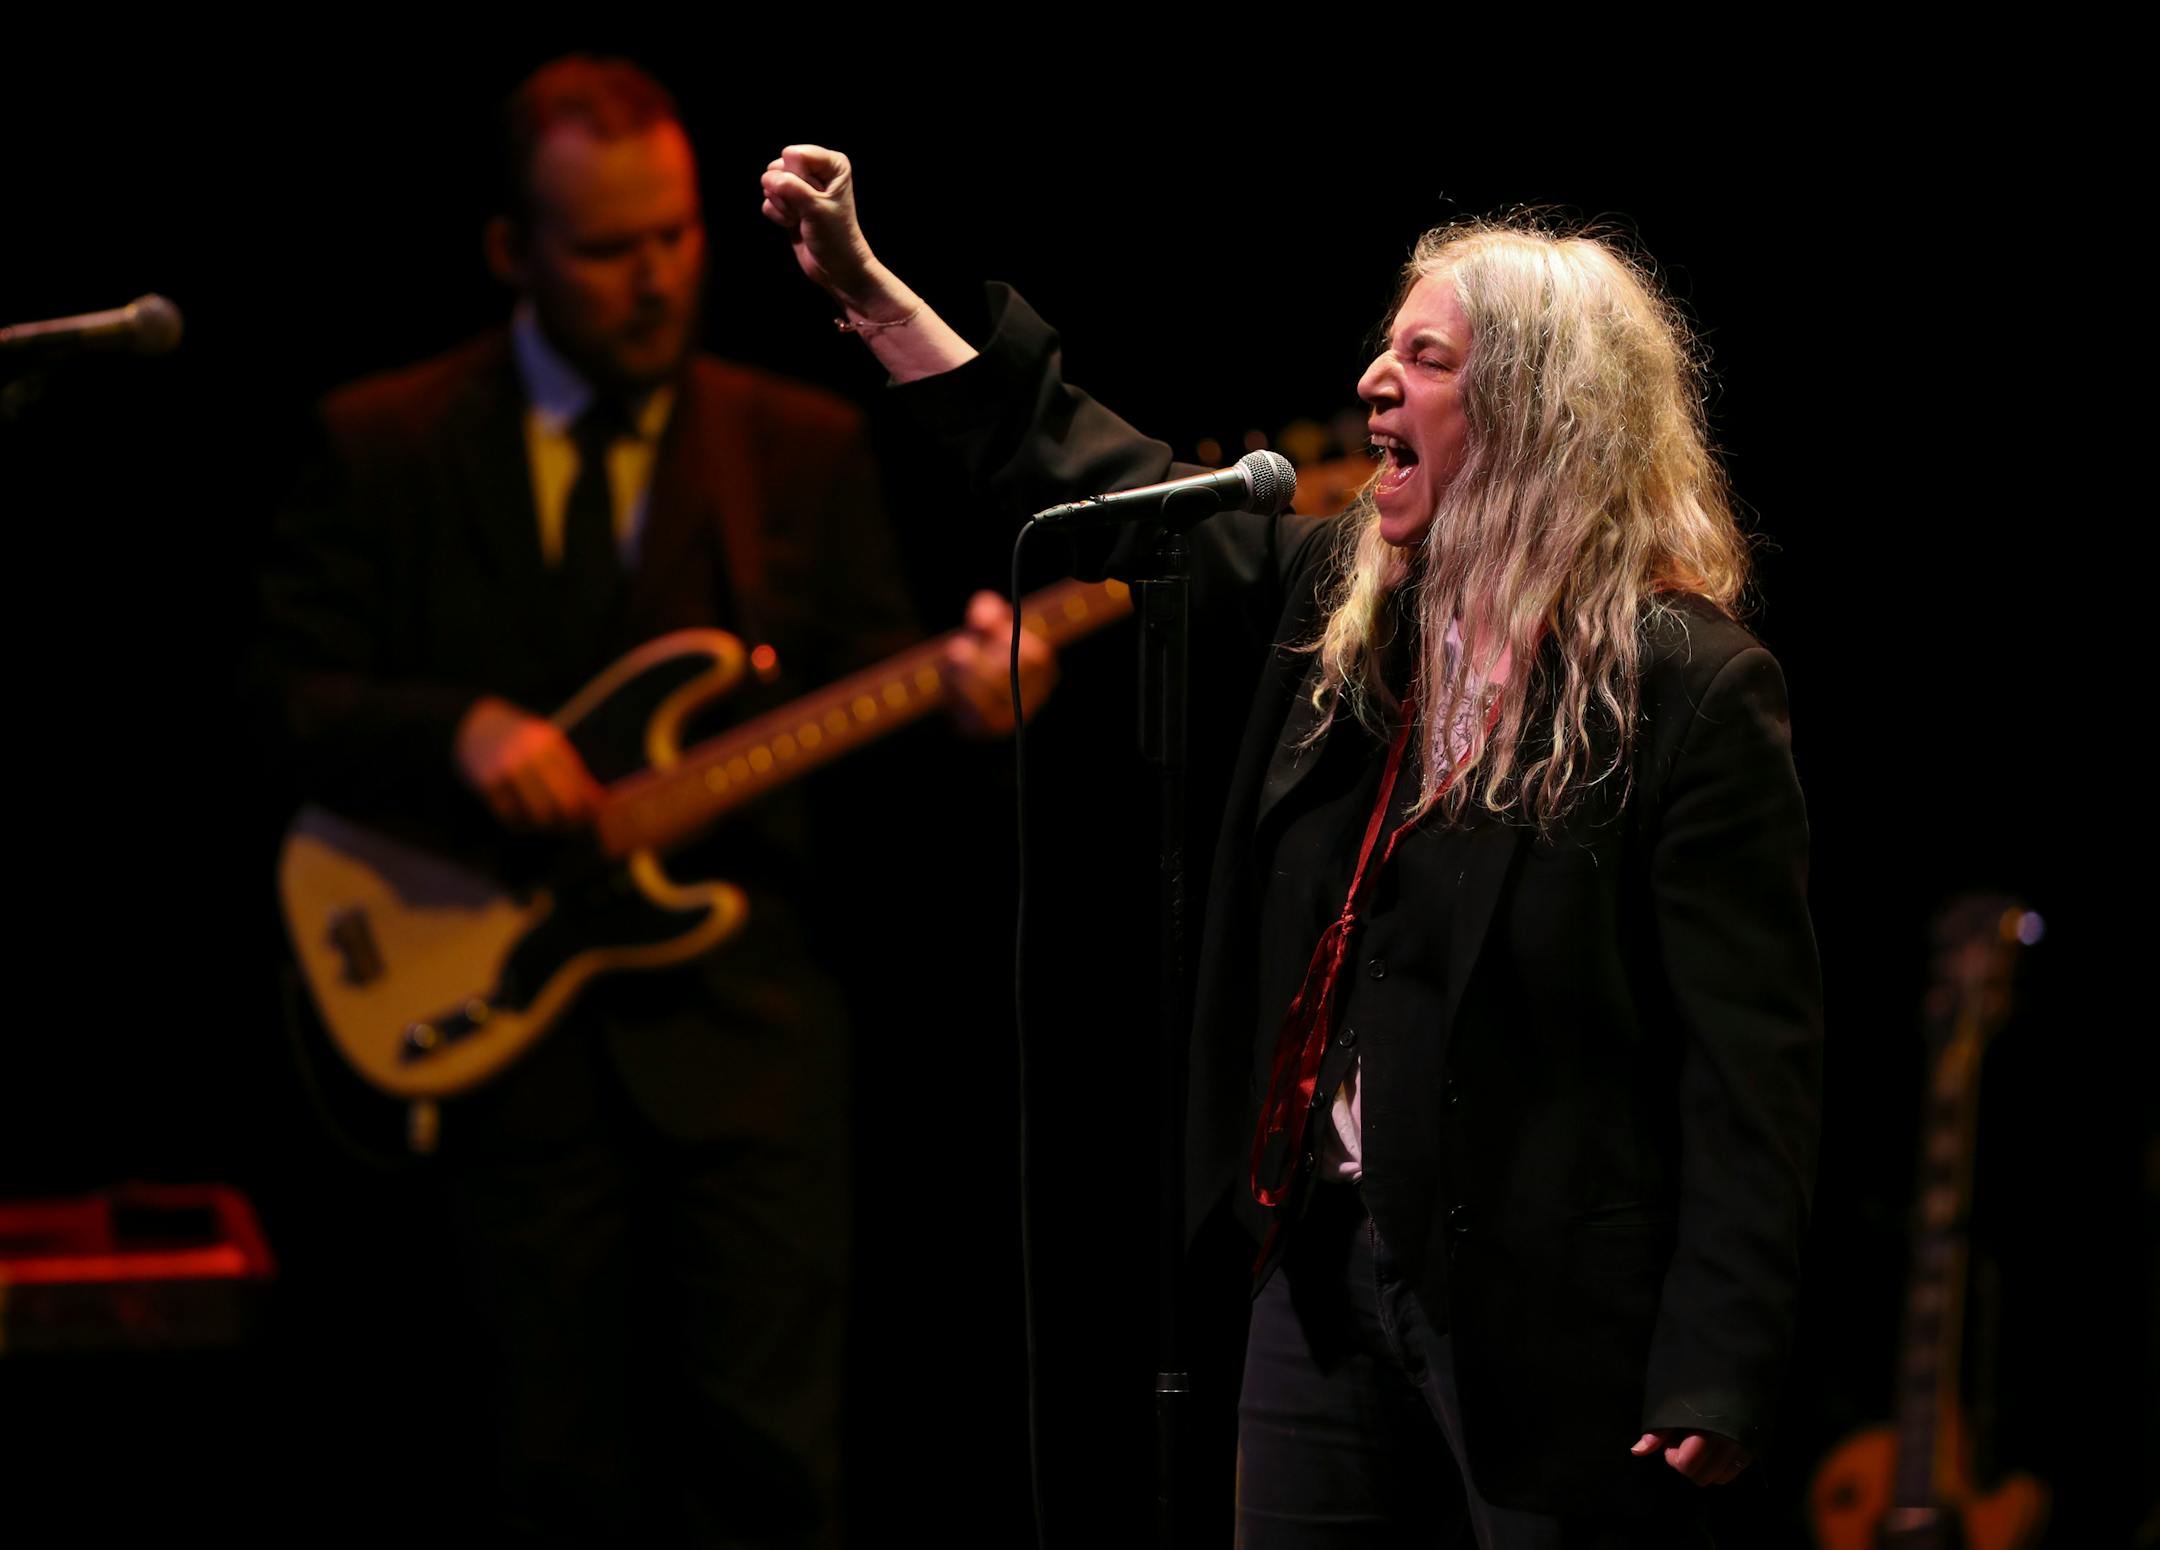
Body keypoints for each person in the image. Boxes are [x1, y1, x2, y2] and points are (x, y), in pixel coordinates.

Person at [760, 145, 1822, 1547]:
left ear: (1535, 412)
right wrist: (871, 290)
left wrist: (1719, 1357)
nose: (1376, 381)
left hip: (1554, 1319)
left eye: (1426, 360)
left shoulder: (1682, 683)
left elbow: (1749, 1060)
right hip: (1317, 1274)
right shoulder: (1348, 609)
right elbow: (1090, 468)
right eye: (1387, 350)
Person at [261, 67, 1049, 1546]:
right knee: (534, 1479)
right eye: (609, 249)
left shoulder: (795, 448)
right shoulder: (384, 441)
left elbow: (878, 748)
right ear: (514, 252)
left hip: (750, 1067)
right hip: (502, 1070)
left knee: (770, 1483)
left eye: (678, 238)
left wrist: (969, 712)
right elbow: (274, 702)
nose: (655, 278)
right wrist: (456, 732)